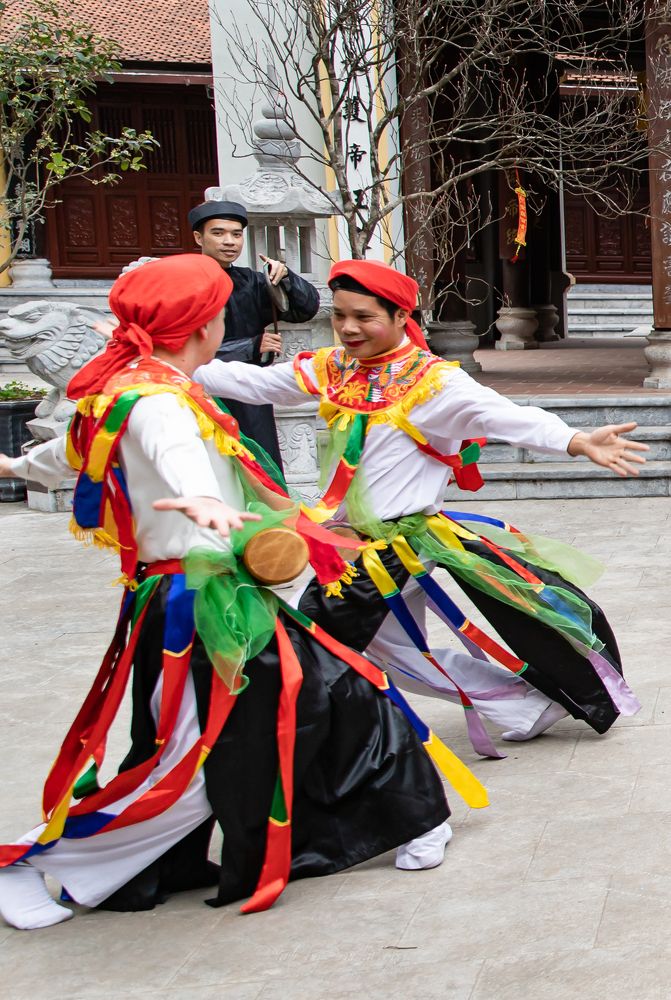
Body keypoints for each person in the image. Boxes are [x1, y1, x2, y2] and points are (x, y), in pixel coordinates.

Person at [0, 254, 464, 931]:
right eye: (218, 313)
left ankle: (414, 821)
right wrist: (202, 502)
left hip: (208, 593)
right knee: (203, 758)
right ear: (201, 327)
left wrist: (18, 465)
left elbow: (75, 451)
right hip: (196, 601)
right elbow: (174, 454)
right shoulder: (160, 401)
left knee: (328, 698)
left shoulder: (140, 386)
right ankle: (37, 861)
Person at [193, 258, 645, 756]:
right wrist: (172, 360)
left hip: (398, 546)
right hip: (351, 542)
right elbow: (254, 383)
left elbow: (504, 415)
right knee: (399, 651)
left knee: (318, 633)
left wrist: (576, 439)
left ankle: (322, 749)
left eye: (363, 317)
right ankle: (524, 706)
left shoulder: (434, 383)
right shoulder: (335, 368)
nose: (348, 327)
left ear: (399, 316)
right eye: (340, 315)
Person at [189, 200, 320, 471]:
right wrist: (250, 346)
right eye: (218, 233)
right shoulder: (184, 282)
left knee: (259, 466)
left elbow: (305, 309)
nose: (229, 241)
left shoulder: (251, 281)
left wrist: (286, 278)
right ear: (198, 237)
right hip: (200, 390)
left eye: (236, 234)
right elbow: (180, 347)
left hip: (249, 392)